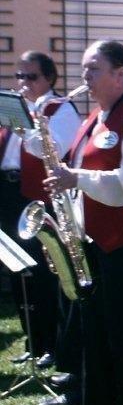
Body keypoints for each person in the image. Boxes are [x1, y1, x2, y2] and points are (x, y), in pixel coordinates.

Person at [44, 40, 123, 405]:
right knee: (95, 326)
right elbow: (76, 173)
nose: (85, 77)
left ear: (120, 74)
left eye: (93, 68)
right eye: (83, 69)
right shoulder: (94, 118)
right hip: (93, 238)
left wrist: (78, 178)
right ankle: (100, 404)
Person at [0, 52, 80, 379]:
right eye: (20, 76)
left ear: (49, 78)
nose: (23, 83)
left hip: (37, 196)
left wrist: (22, 129)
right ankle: (34, 342)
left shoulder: (59, 109)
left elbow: (57, 149)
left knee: (43, 273)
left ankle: (52, 344)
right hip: (8, 192)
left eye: (31, 77)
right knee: (18, 270)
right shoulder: (16, 109)